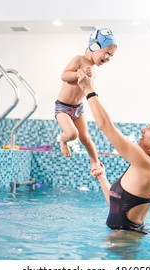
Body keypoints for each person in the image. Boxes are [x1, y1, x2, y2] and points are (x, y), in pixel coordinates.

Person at [77, 69, 150, 234]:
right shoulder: (146, 164)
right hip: (123, 240)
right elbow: (116, 207)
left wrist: (88, 89)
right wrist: (102, 178)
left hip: (124, 243)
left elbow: (105, 125)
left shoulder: (145, 163)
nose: (142, 130)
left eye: (149, 128)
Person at [55, 28, 117, 177]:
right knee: (72, 134)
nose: (108, 58)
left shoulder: (94, 69)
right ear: (95, 46)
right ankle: (63, 140)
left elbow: (87, 87)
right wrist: (78, 73)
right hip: (63, 107)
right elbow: (64, 76)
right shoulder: (79, 59)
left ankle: (95, 162)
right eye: (107, 53)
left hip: (78, 108)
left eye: (111, 56)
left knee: (85, 138)